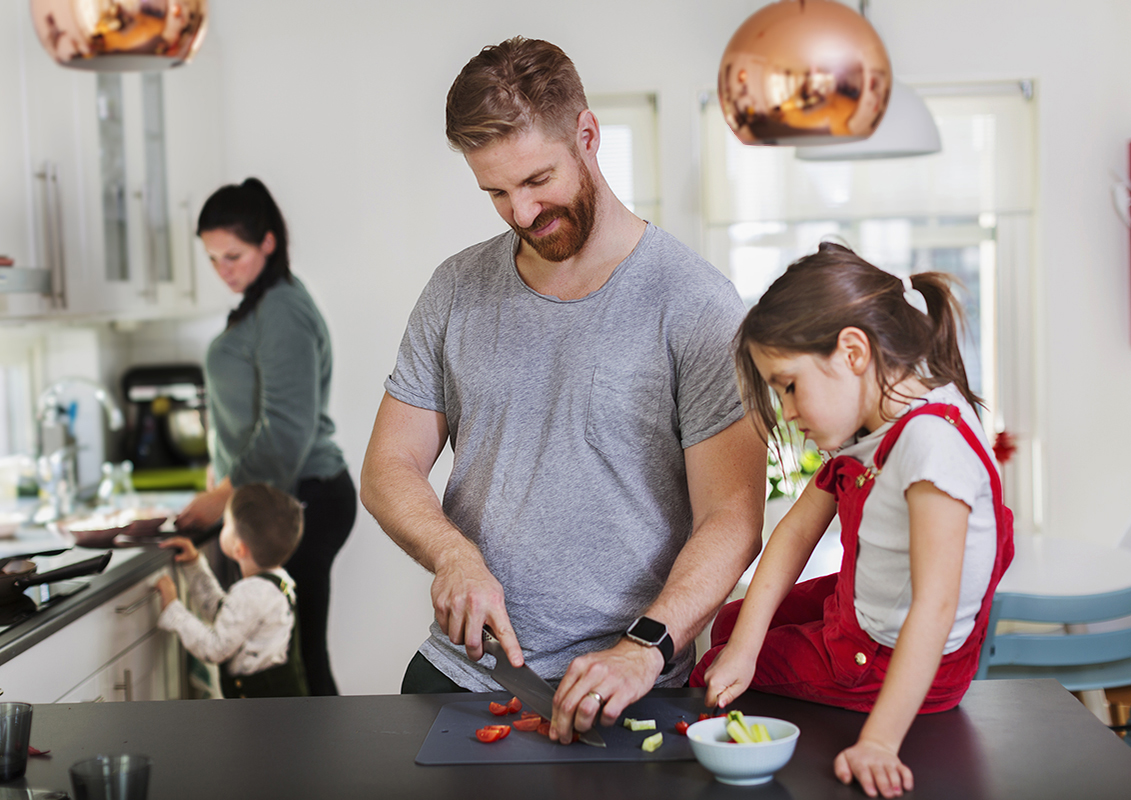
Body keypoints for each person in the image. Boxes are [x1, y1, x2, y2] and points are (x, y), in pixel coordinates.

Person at [360, 37, 765, 743]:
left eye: (537, 180)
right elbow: (388, 466)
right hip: (463, 677)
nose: (520, 212)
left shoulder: (694, 303)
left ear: (586, 136)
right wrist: (452, 555)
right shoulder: (456, 288)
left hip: (630, 689)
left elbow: (733, 517)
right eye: (495, 192)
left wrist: (645, 649)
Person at [692, 242, 1014, 799]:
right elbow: (794, 531)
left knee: (712, 665)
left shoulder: (930, 446)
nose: (789, 414)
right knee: (732, 629)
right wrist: (746, 642)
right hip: (863, 611)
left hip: (888, 659)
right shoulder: (881, 417)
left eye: (789, 387)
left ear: (853, 352)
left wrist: (880, 742)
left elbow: (933, 609)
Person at [174, 178, 356, 696]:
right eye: (212, 259)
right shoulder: (264, 303)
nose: (222, 271)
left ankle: (324, 777)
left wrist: (220, 497)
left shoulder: (281, 309)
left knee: (292, 664)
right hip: (276, 498)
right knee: (282, 660)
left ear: (268, 242)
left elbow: (285, 430)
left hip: (299, 500)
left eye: (233, 255)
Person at [156, 483, 308, 698]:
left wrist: (173, 610)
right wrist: (194, 566)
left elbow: (215, 648)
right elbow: (226, 616)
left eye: (226, 523)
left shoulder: (252, 593)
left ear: (239, 548)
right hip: (282, 705)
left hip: (260, 709)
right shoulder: (277, 582)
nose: (222, 526)